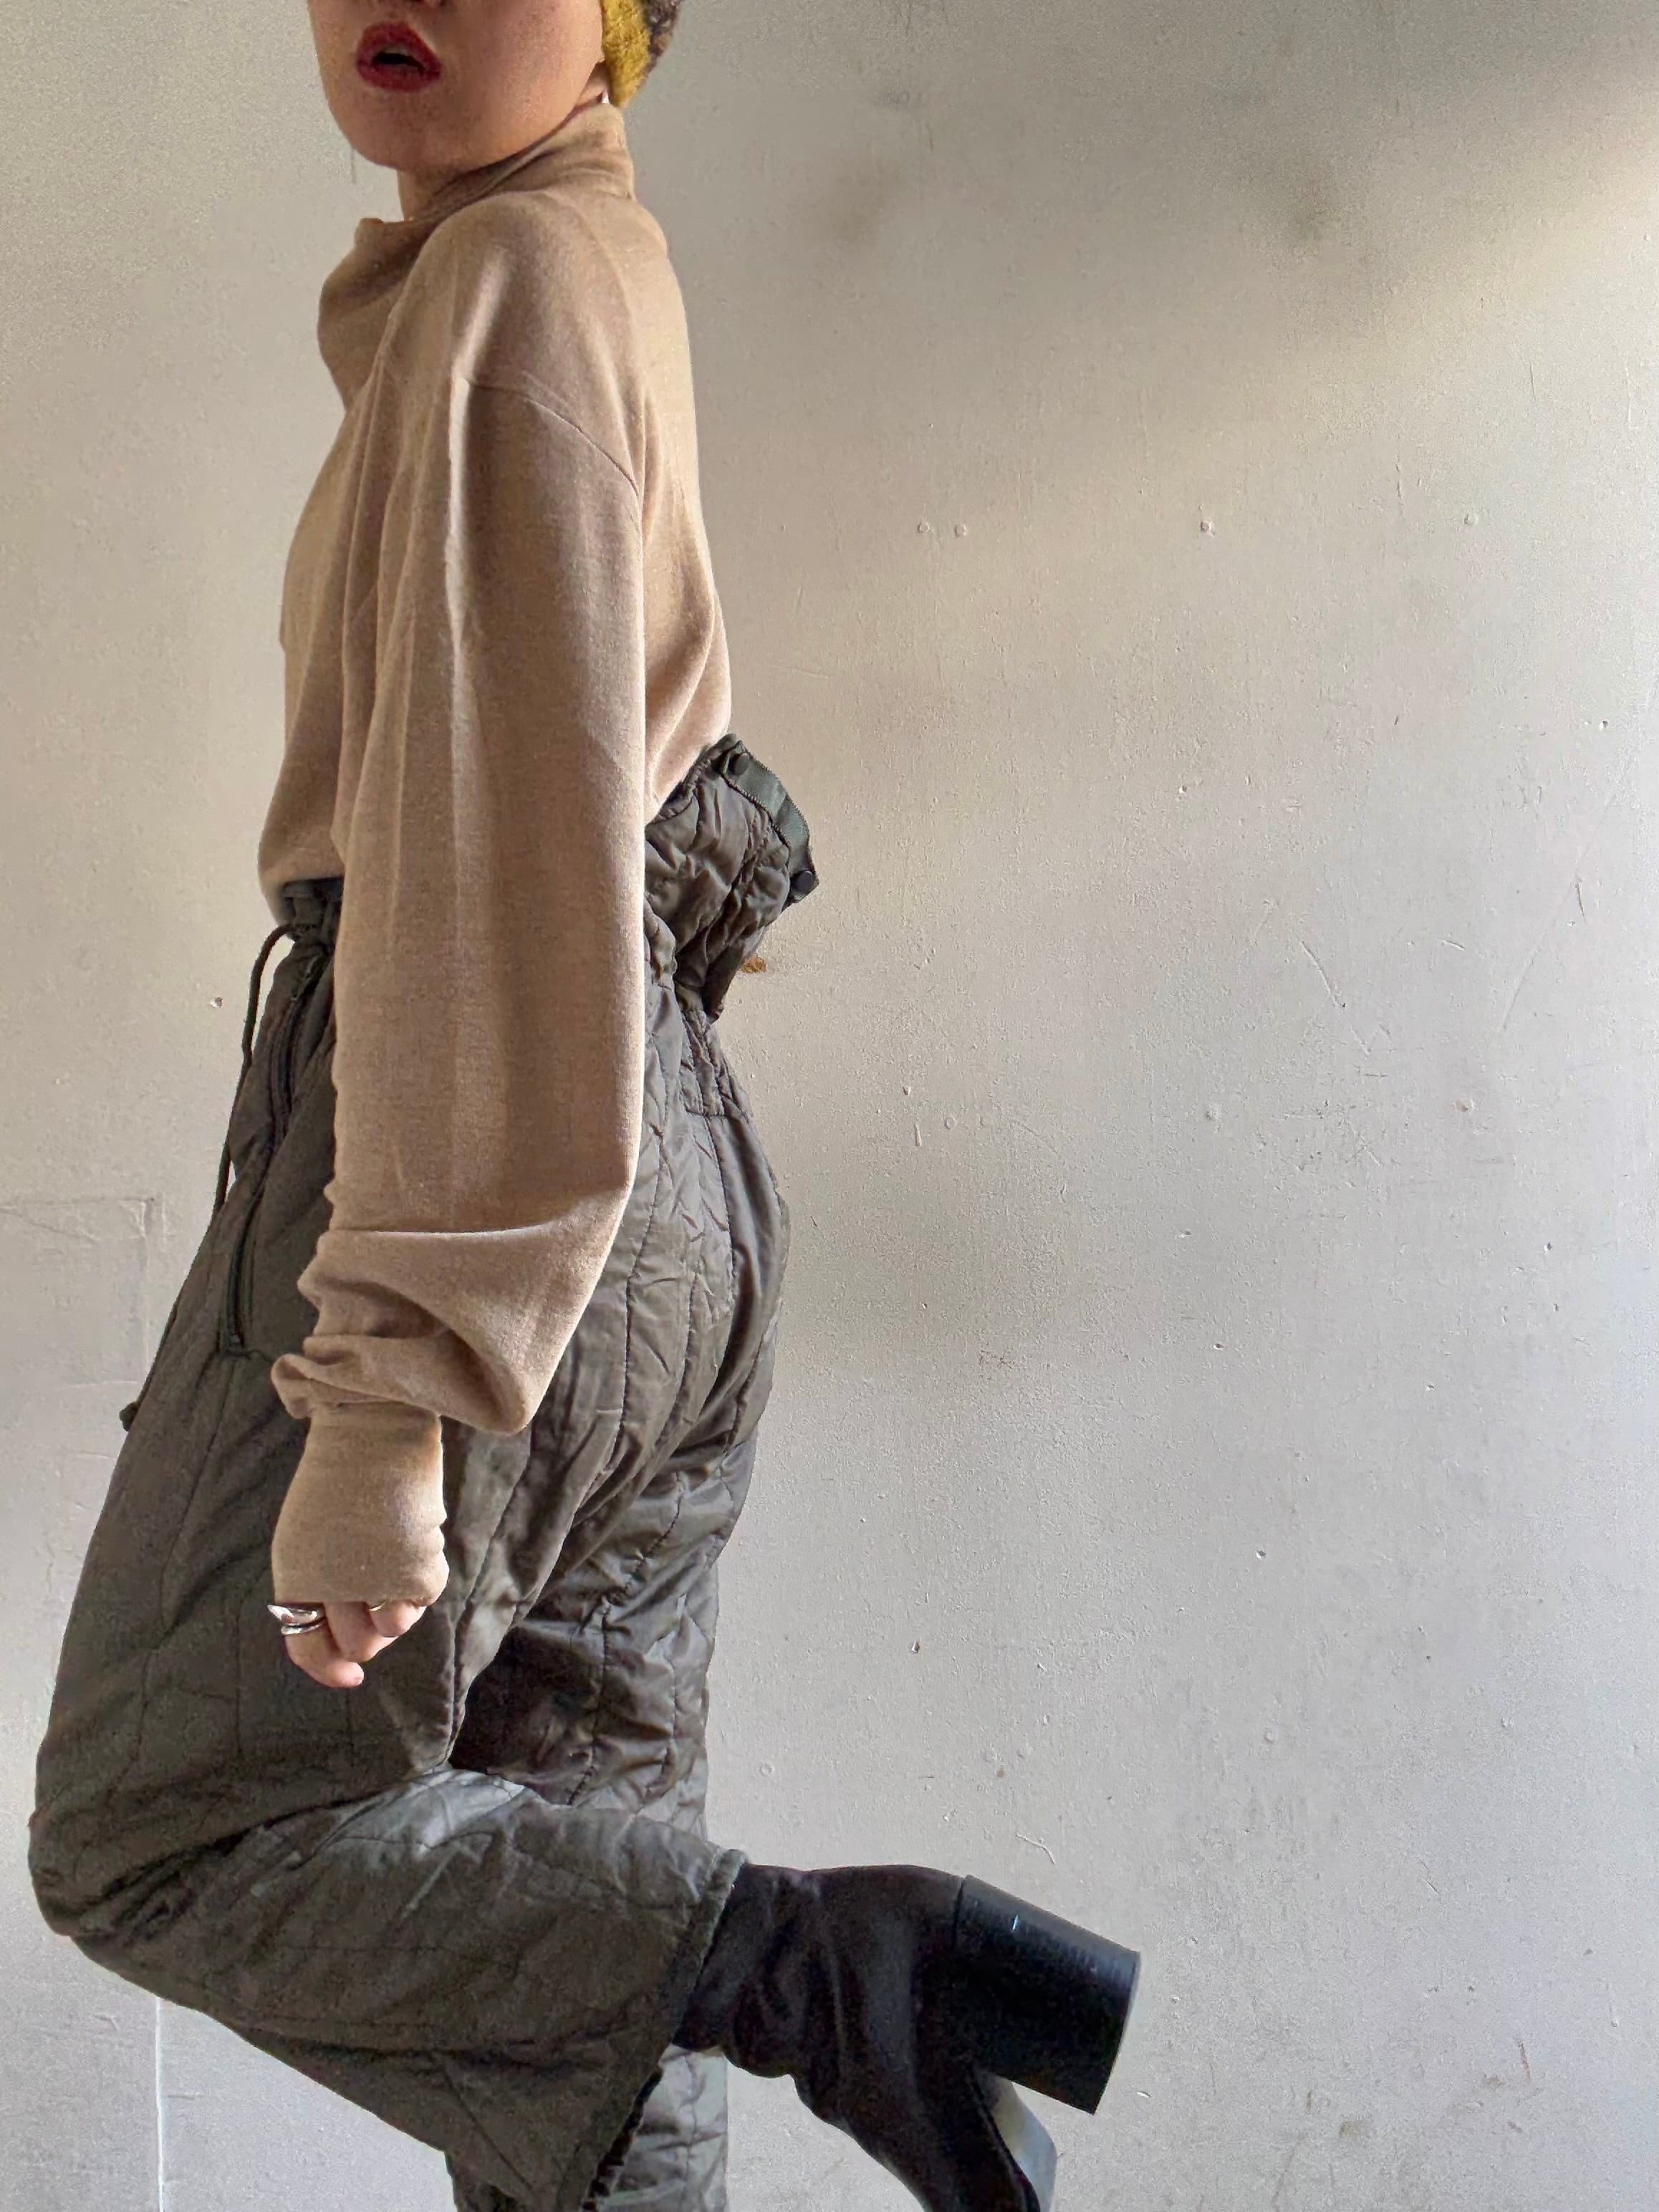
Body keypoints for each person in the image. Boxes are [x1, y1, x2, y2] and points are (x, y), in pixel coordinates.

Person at [27, 5, 1140, 2208]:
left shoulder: (507, 284)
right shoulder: (574, 266)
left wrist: (390, 1400)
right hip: (650, 1174)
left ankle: (832, 1972)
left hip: (493, 1115)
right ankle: (797, 1977)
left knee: (160, 1830)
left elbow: (484, 852)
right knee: (579, 1977)